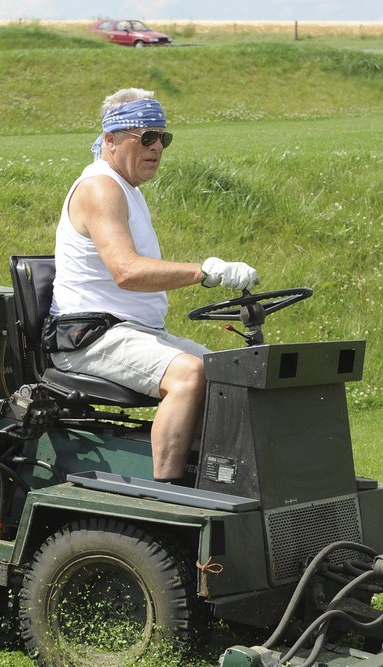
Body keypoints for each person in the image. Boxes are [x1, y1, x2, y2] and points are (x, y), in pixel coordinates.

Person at [48, 87, 259, 485]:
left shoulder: (126, 189)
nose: (157, 146)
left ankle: (216, 478)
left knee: (229, 375)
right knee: (189, 375)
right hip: (90, 336)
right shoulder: (100, 187)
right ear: (110, 140)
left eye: (163, 137)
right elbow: (126, 271)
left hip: (131, 332)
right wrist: (205, 271)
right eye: (146, 137)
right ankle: (170, 493)